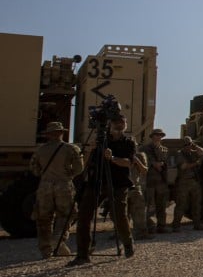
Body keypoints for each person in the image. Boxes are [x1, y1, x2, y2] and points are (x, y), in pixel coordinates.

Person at [67, 112, 137, 265]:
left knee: (119, 215)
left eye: (122, 122)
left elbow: (128, 163)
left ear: (125, 124)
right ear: (110, 124)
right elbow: (84, 164)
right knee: (84, 215)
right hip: (97, 181)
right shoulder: (101, 141)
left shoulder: (129, 142)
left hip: (118, 183)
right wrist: (90, 150)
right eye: (116, 122)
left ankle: (127, 243)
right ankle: (82, 254)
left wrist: (112, 158)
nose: (119, 125)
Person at [29, 121, 83, 259]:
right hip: (64, 185)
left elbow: (34, 170)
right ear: (61, 133)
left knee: (43, 219)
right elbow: (79, 168)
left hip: (44, 186)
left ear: (48, 135)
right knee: (66, 214)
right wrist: (68, 174)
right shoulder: (71, 148)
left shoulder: (40, 150)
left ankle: (46, 250)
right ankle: (58, 240)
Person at [172, 136, 203, 231]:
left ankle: (197, 224)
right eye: (186, 145)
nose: (188, 146)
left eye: (190, 144)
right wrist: (196, 163)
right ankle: (176, 225)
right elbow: (183, 166)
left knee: (196, 204)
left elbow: (202, 153)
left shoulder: (193, 153)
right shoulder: (180, 154)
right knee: (181, 204)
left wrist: (195, 146)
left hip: (194, 181)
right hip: (184, 182)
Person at [140, 129, 171, 234]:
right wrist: (154, 163)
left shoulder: (164, 149)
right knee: (150, 205)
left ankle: (161, 226)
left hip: (161, 180)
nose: (158, 137)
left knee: (162, 205)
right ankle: (150, 226)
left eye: (160, 135)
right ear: (152, 136)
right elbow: (144, 162)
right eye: (156, 135)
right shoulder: (145, 149)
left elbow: (166, 164)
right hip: (149, 181)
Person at [126, 149, 150, 241]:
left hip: (135, 187)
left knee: (139, 212)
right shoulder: (117, 156)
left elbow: (144, 170)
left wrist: (136, 160)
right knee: (121, 214)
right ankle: (121, 233)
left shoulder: (139, 156)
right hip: (121, 188)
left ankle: (141, 233)